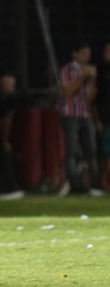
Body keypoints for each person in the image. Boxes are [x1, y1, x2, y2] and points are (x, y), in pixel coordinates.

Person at [57, 41, 103, 196]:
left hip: (85, 113)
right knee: (72, 150)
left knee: (92, 150)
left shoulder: (89, 71)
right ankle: (76, 185)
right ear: (75, 54)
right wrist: (82, 77)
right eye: (83, 53)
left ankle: (95, 185)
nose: (86, 57)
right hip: (70, 114)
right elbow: (68, 92)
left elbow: (89, 98)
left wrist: (93, 80)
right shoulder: (67, 70)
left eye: (88, 54)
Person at [0, 72, 25, 199]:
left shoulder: (12, 98)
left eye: (13, 84)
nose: (11, 87)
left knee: (3, 155)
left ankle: (10, 187)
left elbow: (8, 120)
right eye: (8, 84)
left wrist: (5, 140)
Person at [95, 42, 110, 189]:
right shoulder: (100, 72)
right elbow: (95, 99)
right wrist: (97, 119)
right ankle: (102, 182)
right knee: (105, 152)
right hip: (106, 118)